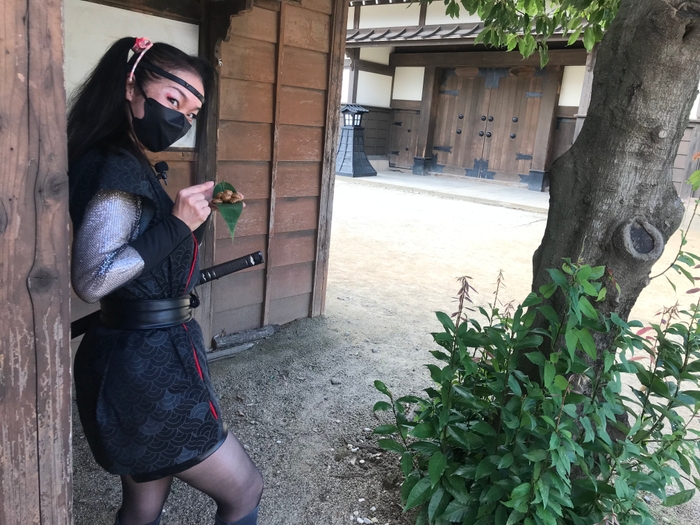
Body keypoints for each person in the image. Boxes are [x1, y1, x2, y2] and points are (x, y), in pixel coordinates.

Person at [67, 37, 263, 525]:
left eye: (191, 114)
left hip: (139, 356)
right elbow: (93, 279)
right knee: (244, 489)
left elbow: (148, 259)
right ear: (130, 85)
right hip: (144, 369)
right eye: (174, 101)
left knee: (144, 502)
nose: (180, 120)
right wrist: (178, 224)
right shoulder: (113, 164)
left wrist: (191, 218)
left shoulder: (123, 157)